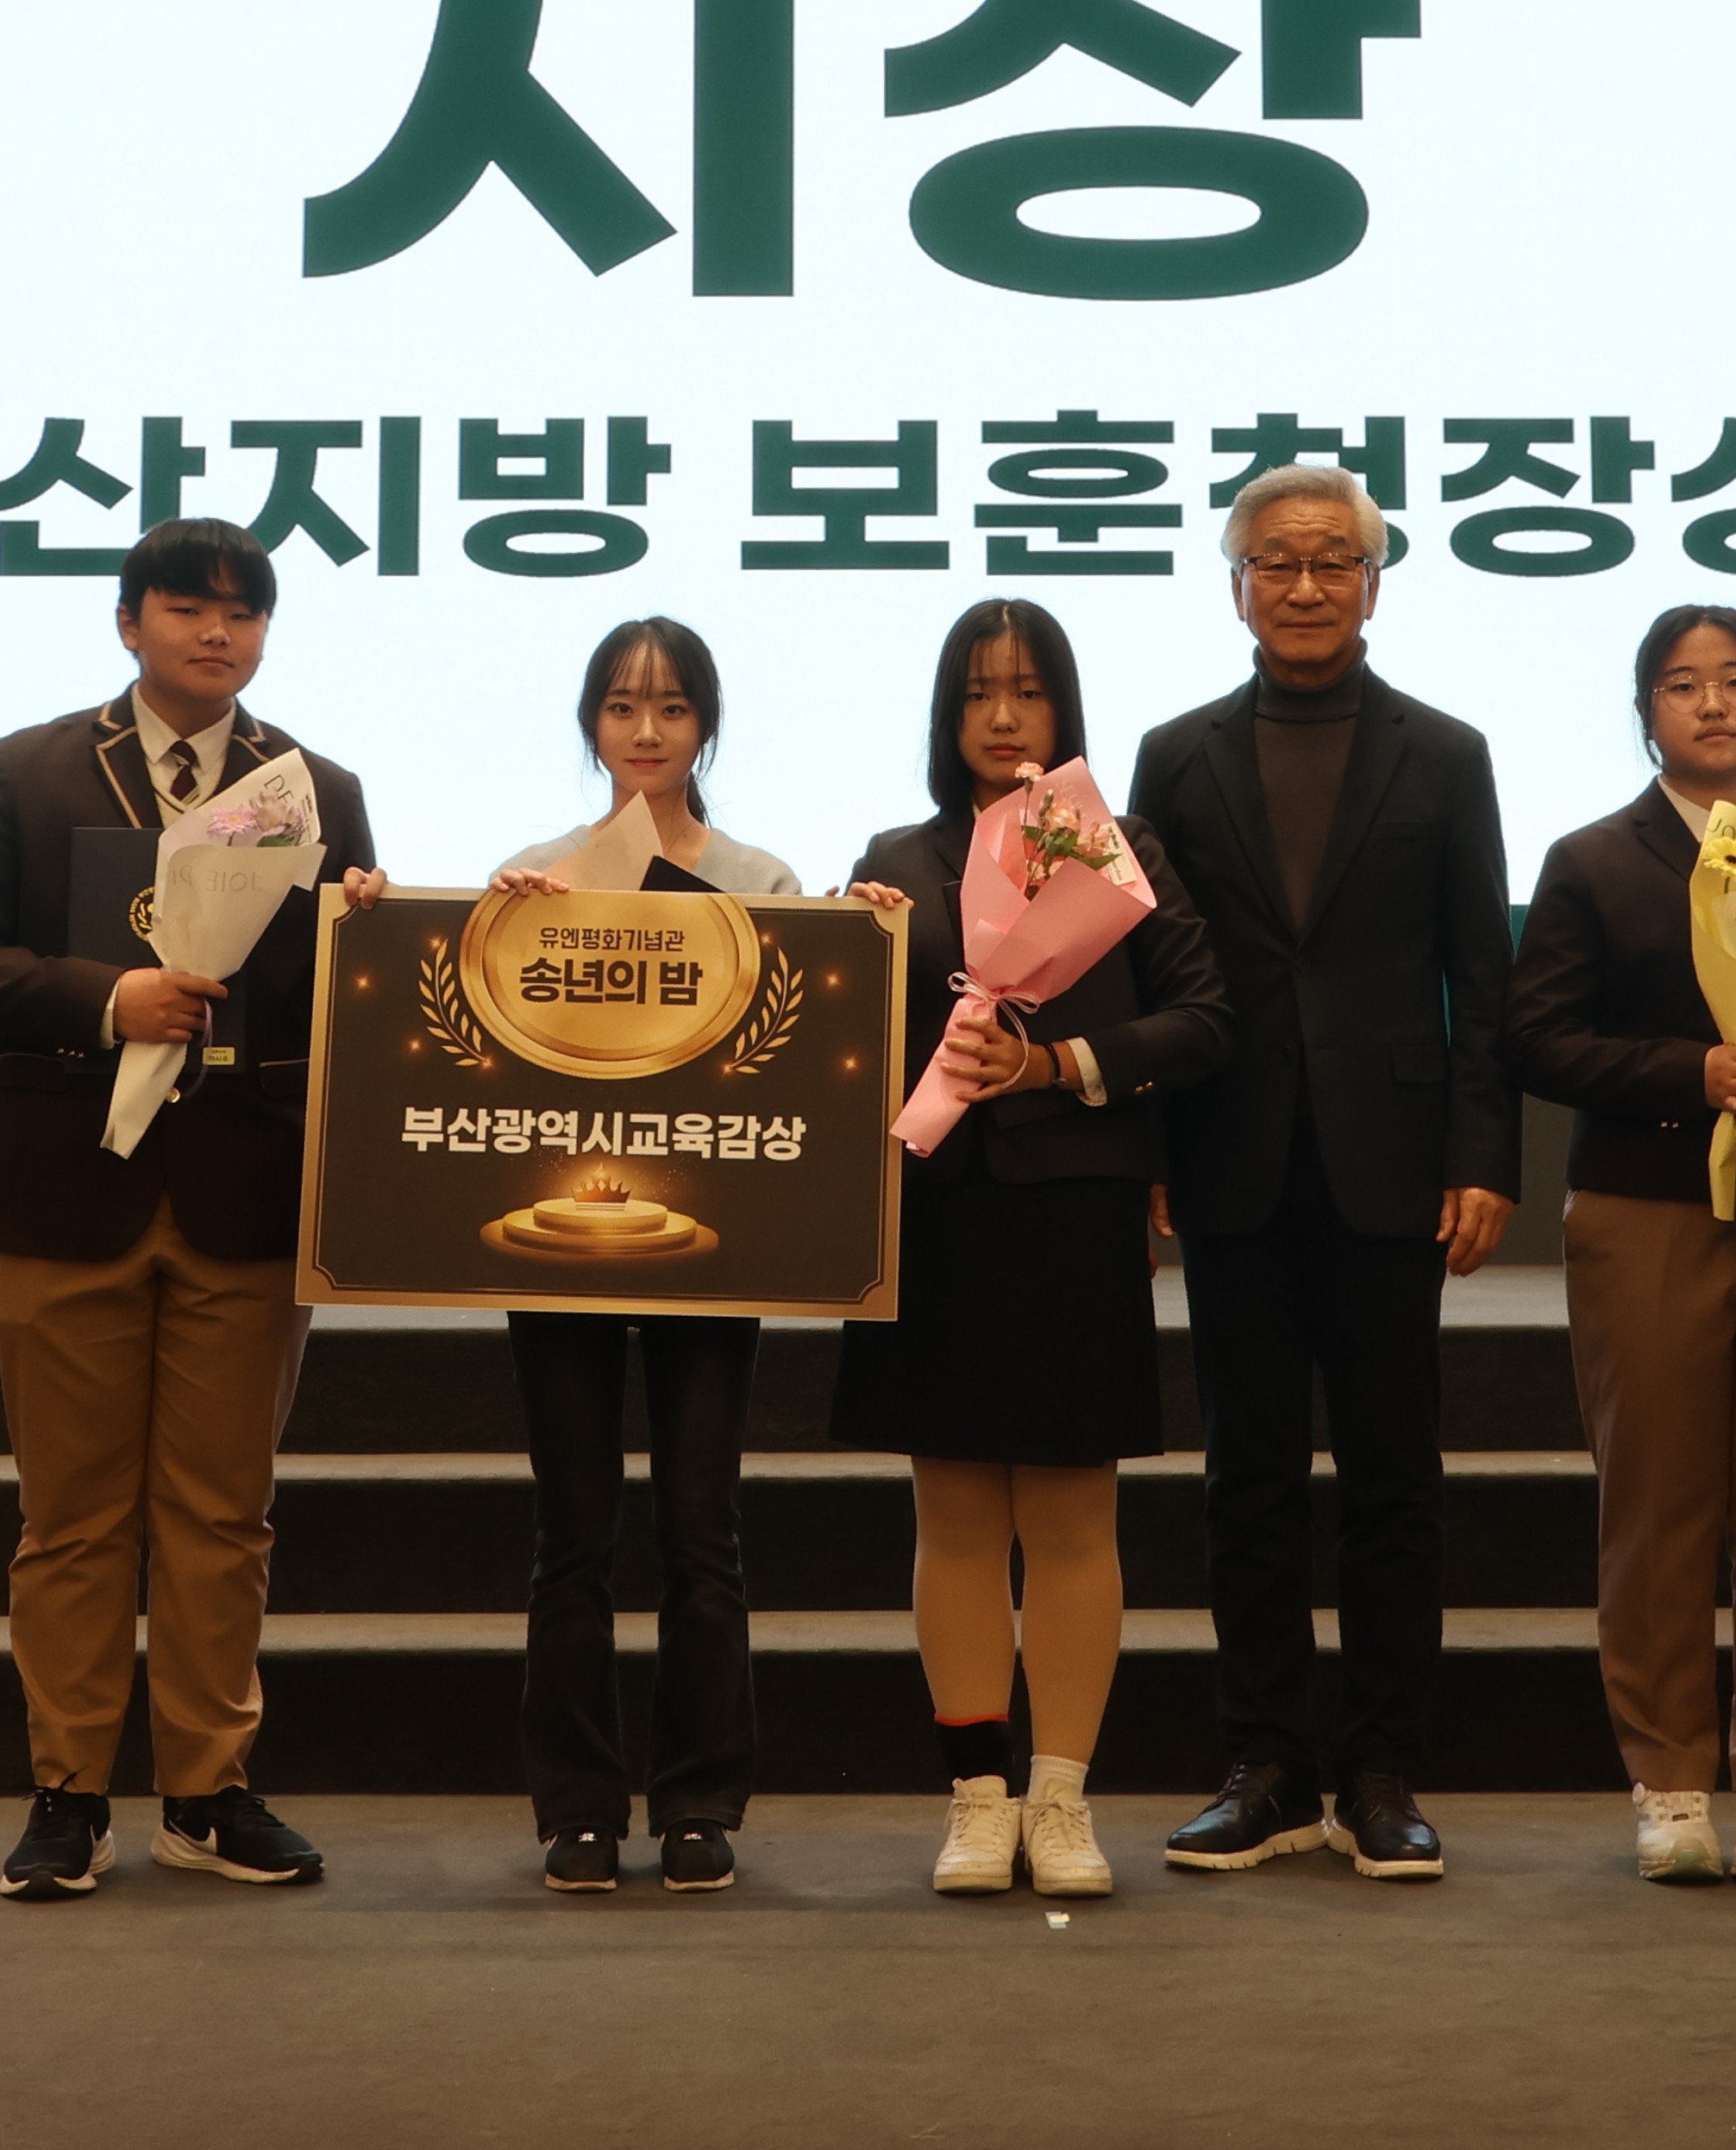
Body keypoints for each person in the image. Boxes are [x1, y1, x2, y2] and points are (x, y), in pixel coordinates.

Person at [0, 517, 383, 1901]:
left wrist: (374, 930)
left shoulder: (316, 790)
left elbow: (347, 1001)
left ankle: (206, 1792)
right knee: (70, 1519)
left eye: (244, 612)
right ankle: (68, 1793)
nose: (217, 633)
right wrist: (106, 997)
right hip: (71, 1191)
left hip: (246, 1198)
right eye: (187, 607)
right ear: (130, 623)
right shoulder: (31, 767)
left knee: (224, 1517)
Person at [1125, 463, 1519, 1882]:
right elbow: (1146, 969)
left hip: (1392, 1166)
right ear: (1236, 586)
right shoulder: (1175, 756)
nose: (1305, 585)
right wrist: (1154, 1148)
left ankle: (1383, 1772)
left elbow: (1482, 974)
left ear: (1373, 581)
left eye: (1331, 561)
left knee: (1394, 1478)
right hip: (1230, 1155)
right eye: (1277, 563)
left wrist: (1485, 1155)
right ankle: (1266, 1767)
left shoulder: (1447, 753)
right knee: (1247, 1478)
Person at [831, 599, 1233, 1899]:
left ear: (1065, 708)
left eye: (1029, 691)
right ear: (945, 715)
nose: (1003, 717)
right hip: (936, 1215)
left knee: (1070, 1518)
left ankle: (1061, 1802)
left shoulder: (1119, 848)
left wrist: (1053, 1064)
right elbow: (842, 1037)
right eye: (977, 693)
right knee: (952, 1516)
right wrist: (851, 939)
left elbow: (1205, 1019)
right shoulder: (896, 857)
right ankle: (976, 1798)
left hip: (1074, 1212)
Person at [1507, 604, 1736, 1888]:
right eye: (1681, 684)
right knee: (1657, 1508)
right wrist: (1688, 1071)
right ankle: (1669, 1781)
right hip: (1647, 1211)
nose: (1712, 703)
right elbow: (1536, 1038)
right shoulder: (1592, 862)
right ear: (1646, 712)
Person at [480, 617, 799, 1896]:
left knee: (700, 1532)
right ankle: (577, 1807)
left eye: (672, 708)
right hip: (557, 1241)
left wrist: (868, 931)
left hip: (711, 1246)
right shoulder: (531, 875)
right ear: (591, 724)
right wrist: (496, 933)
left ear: (705, 725)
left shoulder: (764, 880)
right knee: (571, 1533)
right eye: (622, 707)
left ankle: (700, 1802)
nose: (648, 731)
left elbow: (796, 1051)